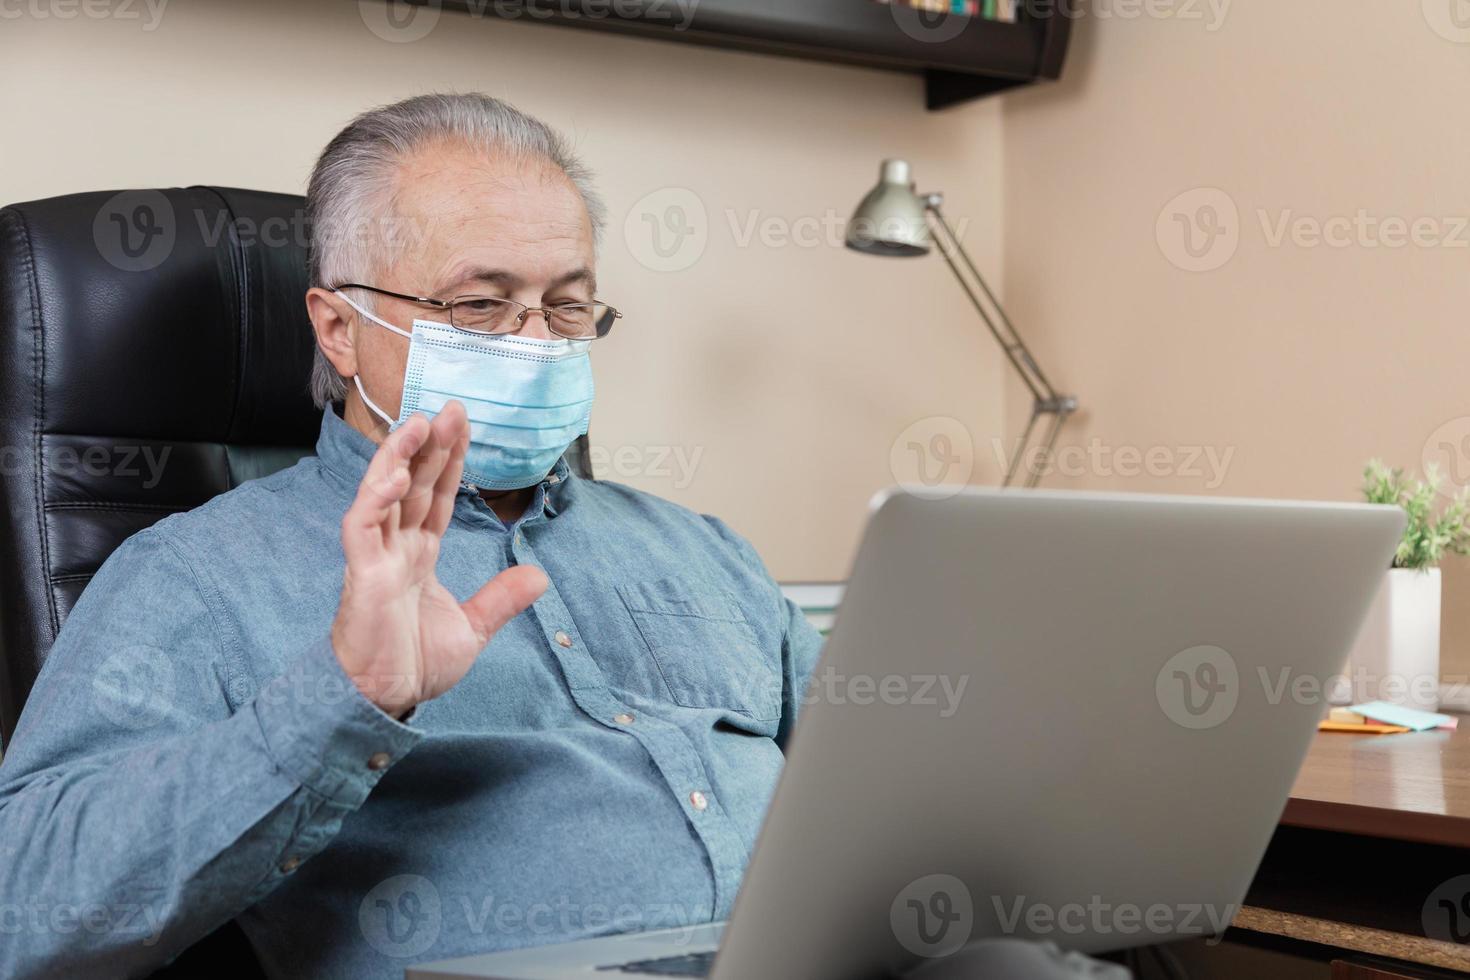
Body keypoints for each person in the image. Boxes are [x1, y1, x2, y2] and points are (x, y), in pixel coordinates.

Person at [0, 93, 822, 979]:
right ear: (340, 329)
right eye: (481, 305)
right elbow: (28, 908)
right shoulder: (195, 575)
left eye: (569, 307)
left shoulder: (706, 551)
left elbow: (886, 785)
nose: (538, 343)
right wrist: (344, 696)